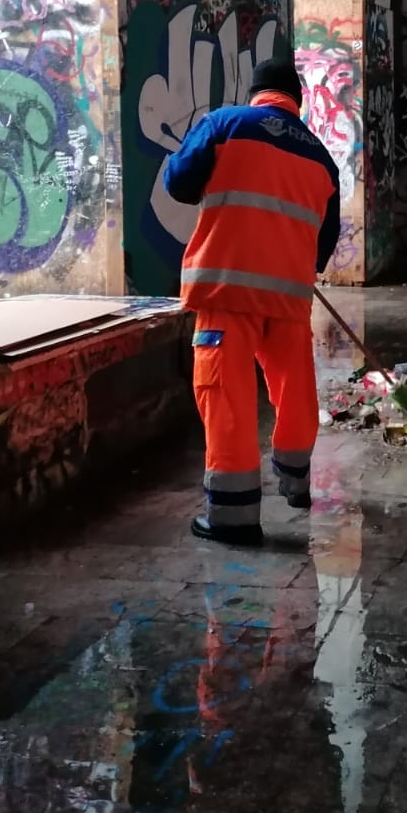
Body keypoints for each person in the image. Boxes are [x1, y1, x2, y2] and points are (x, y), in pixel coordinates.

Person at [165, 59, 340, 545]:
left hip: (227, 290)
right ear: (296, 102)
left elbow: (179, 182)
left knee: (227, 394)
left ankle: (233, 516)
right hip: (288, 295)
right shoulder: (322, 159)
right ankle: (296, 479)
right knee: (294, 384)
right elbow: (326, 242)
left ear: (258, 93)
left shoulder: (225, 124)